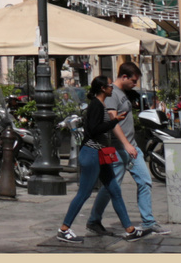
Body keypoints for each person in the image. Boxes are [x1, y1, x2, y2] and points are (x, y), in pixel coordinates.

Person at [56, 76, 144, 242]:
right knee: (84, 193)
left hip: (101, 153)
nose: (112, 87)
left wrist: (113, 120)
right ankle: (64, 229)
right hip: (92, 153)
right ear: (103, 88)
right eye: (109, 85)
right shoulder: (96, 105)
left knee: (115, 190)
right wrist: (114, 121)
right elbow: (94, 129)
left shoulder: (100, 104)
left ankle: (130, 230)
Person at [86, 61, 168, 236]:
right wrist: (126, 144)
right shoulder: (110, 94)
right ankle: (93, 220)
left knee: (145, 180)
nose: (135, 84)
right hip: (119, 148)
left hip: (131, 147)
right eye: (133, 80)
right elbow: (113, 122)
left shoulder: (122, 92)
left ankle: (149, 221)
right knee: (111, 186)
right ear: (124, 77)